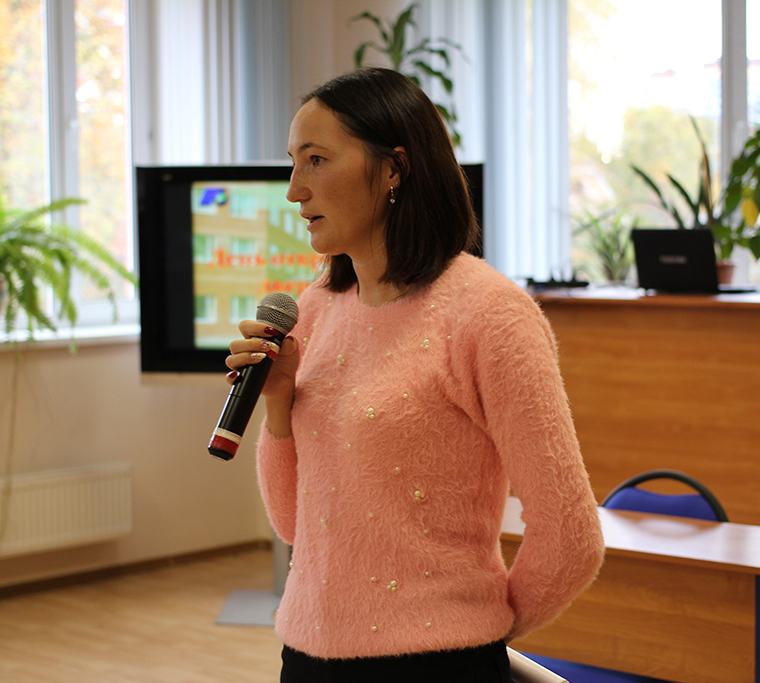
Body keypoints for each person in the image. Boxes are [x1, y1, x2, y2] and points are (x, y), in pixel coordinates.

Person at [224, 67, 604, 683]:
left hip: (439, 665)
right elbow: (295, 525)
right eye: (293, 163)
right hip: (307, 655)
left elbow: (571, 537)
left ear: (394, 169)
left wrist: (473, 631)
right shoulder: (314, 310)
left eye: (316, 160)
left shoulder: (489, 313)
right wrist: (278, 403)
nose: (294, 191)